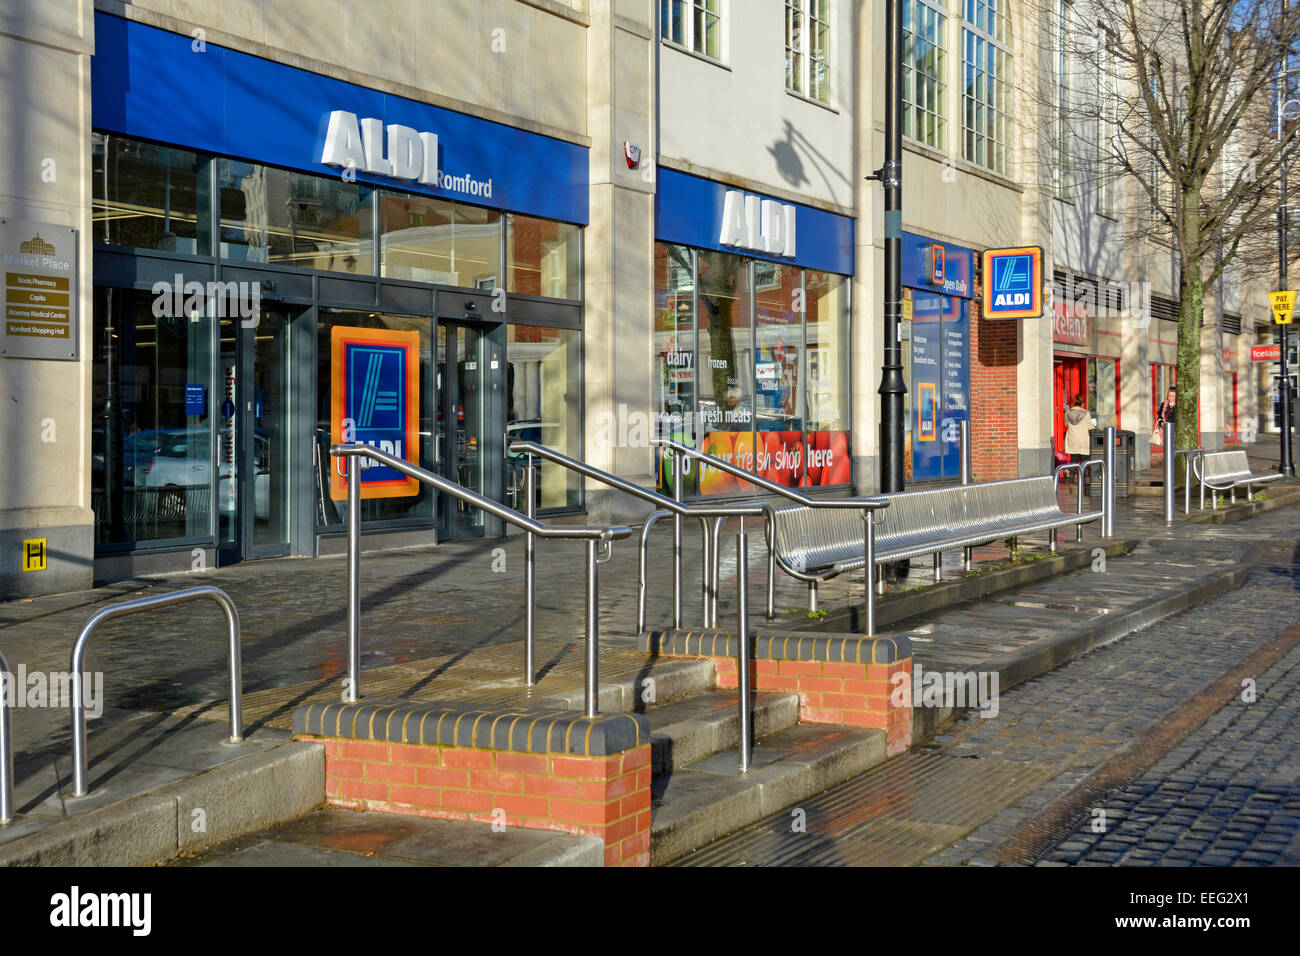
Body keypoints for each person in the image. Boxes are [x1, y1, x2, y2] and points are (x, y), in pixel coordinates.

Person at [1064, 394, 1092, 489]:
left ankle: (1071, 477)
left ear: (1074, 402)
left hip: (1073, 439)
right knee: (1085, 460)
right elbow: (1090, 427)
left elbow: (1066, 424)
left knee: (1074, 458)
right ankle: (1083, 479)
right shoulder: (1086, 413)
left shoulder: (1068, 413)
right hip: (1084, 440)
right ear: (1082, 403)